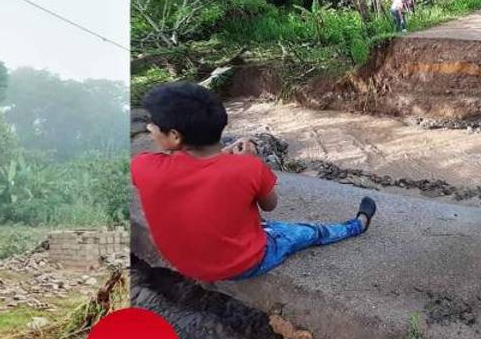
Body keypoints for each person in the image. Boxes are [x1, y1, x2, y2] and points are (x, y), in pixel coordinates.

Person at [131, 82, 376, 283]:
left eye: (153, 124)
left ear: (176, 136)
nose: (150, 128)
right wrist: (252, 162)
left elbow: (193, 171)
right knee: (308, 232)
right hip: (242, 265)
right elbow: (270, 205)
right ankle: (357, 225)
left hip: (183, 262)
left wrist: (221, 158)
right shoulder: (248, 168)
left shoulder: (142, 166)